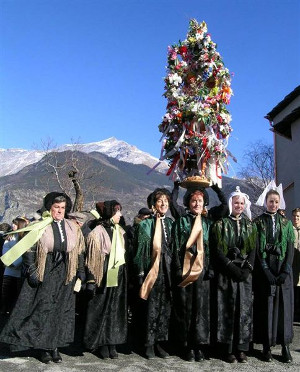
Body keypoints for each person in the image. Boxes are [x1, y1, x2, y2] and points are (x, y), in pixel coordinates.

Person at [0, 192, 85, 364]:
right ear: (49, 208)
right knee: (43, 310)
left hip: (65, 272)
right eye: (56, 207)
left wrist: (81, 272)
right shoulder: (39, 226)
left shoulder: (71, 227)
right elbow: (28, 249)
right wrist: (32, 270)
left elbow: (79, 250)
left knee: (60, 310)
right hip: (45, 270)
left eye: (62, 207)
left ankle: (54, 346)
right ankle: (42, 348)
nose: (60, 211)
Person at [210, 186, 256, 363]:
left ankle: (241, 348)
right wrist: (232, 267)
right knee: (227, 310)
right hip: (227, 273)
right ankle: (227, 348)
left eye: (241, 203)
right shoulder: (221, 224)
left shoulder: (250, 225)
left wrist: (247, 269)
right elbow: (218, 250)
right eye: (236, 202)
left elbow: (253, 248)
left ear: (245, 205)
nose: (239, 205)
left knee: (243, 311)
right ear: (231, 203)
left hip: (244, 275)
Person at [171, 186, 214, 362]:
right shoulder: (181, 221)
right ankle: (187, 345)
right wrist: (177, 267)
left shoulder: (207, 223)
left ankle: (200, 345)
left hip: (202, 271)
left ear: (204, 203)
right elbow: (175, 245)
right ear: (188, 202)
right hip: (186, 269)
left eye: (200, 201)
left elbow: (210, 246)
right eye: (194, 200)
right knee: (186, 307)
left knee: (201, 308)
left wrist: (210, 267)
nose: (196, 204)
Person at [253, 182, 294, 363]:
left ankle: (285, 346)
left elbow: (291, 248)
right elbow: (256, 248)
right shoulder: (258, 222)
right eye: (271, 201)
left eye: (276, 202)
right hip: (266, 269)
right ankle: (267, 346)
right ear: (266, 202)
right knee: (267, 307)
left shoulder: (286, 223)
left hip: (283, 268)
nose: (273, 204)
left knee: (284, 308)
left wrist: (286, 270)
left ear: (279, 203)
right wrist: (266, 270)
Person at [83, 200, 127, 360]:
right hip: (103, 272)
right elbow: (92, 258)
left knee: (115, 309)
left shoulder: (119, 231)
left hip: (118, 274)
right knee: (101, 308)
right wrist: (91, 280)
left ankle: (112, 342)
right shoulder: (97, 232)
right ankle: (100, 342)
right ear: (110, 213)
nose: (120, 215)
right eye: (117, 212)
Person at [133, 188, 174, 359]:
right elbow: (140, 252)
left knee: (165, 308)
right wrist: (141, 273)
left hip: (168, 271)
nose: (163, 203)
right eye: (160, 200)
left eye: (166, 200)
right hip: (152, 270)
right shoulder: (145, 225)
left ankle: (160, 342)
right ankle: (148, 343)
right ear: (153, 205)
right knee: (151, 308)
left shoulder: (171, 224)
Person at [1, 217, 29, 315]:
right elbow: (5, 248)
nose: (13, 226)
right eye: (13, 224)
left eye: (15, 224)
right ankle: (4, 309)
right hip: (8, 267)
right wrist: (7, 260)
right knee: (6, 290)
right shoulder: (10, 236)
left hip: (18, 269)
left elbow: (24, 252)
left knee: (15, 291)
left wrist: (16, 263)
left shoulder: (24, 237)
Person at [292, 207, 300, 322]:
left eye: (298, 216)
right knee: (294, 292)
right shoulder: (289, 230)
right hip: (292, 266)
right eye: (294, 216)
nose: (296, 218)